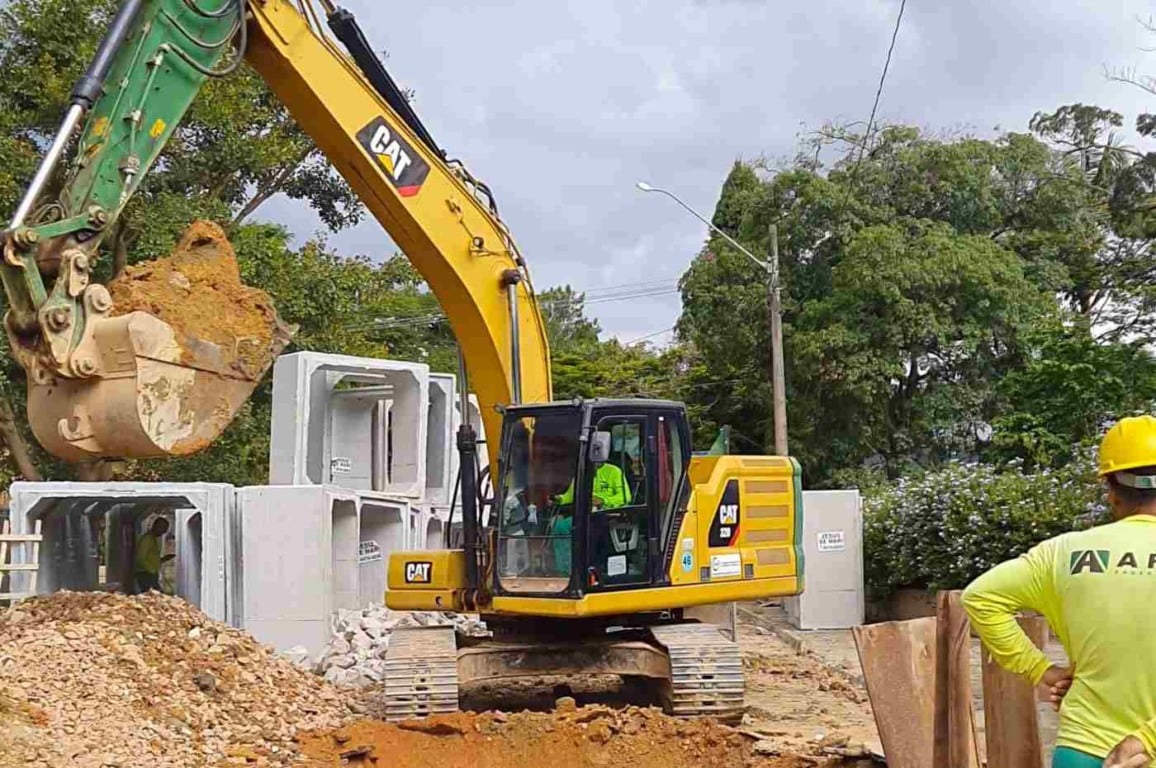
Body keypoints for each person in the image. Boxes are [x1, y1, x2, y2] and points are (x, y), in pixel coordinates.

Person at [962, 416, 1156, 768]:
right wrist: (1147, 740)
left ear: (1111, 490)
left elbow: (979, 597)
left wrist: (1041, 670)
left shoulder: (1062, 554)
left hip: (1083, 749)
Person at [134, 517, 174, 594]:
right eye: (164, 529)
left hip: (151, 573)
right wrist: (151, 570)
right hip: (145, 574)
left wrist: (163, 559)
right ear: (157, 526)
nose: (165, 532)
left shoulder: (153, 539)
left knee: (156, 596)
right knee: (154, 596)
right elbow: (140, 558)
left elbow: (151, 558)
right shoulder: (147, 539)